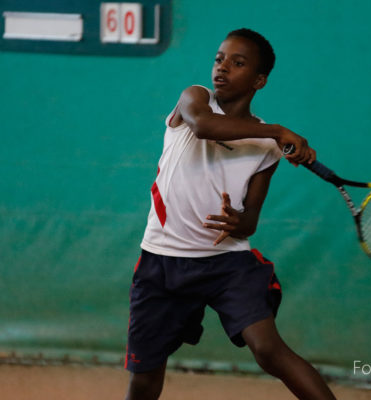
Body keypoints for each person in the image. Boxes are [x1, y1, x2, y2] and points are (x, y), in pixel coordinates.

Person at [124, 28, 337, 400]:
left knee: (268, 350)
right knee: (144, 379)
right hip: (162, 262)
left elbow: (251, 219)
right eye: (219, 59)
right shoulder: (195, 99)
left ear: (259, 80)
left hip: (225, 265)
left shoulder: (267, 149)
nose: (222, 68)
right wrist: (277, 130)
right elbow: (204, 127)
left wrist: (239, 222)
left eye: (238, 63)